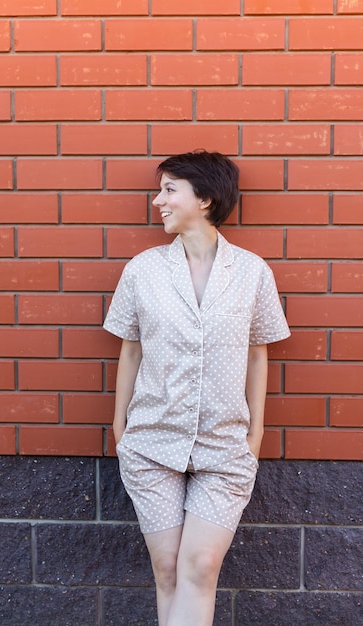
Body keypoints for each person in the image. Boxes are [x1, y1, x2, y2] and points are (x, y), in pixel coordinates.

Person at [103, 150, 290, 626]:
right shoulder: (143, 270)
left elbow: (257, 353)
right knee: (166, 570)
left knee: (200, 566)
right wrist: (120, 427)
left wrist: (255, 436)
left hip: (225, 446)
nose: (156, 201)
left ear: (204, 199)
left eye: (169, 189)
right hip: (151, 441)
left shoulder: (252, 272)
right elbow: (131, 349)